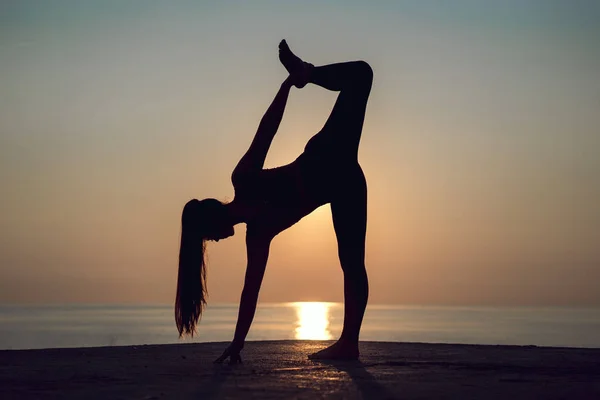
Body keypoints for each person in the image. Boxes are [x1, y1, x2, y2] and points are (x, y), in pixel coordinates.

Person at [176, 40, 373, 362]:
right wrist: (238, 343)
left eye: (209, 235)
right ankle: (349, 344)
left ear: (213, 220)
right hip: (345, 184)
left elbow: (267, 130)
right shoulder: (257, 234)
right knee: (352, 263)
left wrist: (288, 84)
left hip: (326, 155)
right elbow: (249, 292)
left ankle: (305, 72)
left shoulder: (243, 180)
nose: (214, 240)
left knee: (361, 74)